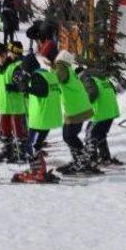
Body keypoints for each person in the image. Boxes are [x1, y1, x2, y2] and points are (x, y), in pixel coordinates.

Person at [13, 41, 63, 183]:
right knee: (35, 145)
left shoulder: (37, 77)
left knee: (31, 146)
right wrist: (27, 88)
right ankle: (37, 169)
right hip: (49, 116)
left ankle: (38, 171)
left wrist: (27, 89)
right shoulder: (48, 75)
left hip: (41, 117)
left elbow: (41, 91)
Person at [47, 46, 99, 174]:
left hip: (75, 109)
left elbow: (57, 78)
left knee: (69, 136)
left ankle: (82, 161)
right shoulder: (68, 68)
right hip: (77, 107)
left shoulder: (62, 67)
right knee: (68, 136)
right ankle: (79, 160)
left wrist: (46, 78)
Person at [0, 42, 27, 163]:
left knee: (18, 131)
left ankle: (21, 152)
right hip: (3, 106)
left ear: (7, 54)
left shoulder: (14, 67)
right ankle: (8, 150)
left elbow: (22, 85)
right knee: (4, 130)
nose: (1, 58)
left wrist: (14, 87)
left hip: (16, 106)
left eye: (3, 55)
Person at [79, 66, 122, 165]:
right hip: (111, 111)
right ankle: (105, 157)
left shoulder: (86, 78)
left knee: (90, 135)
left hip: (100, 113)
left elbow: (92, 94)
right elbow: (114, 91)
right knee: (100, 135)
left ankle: (91, 160)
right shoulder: (101, 77)